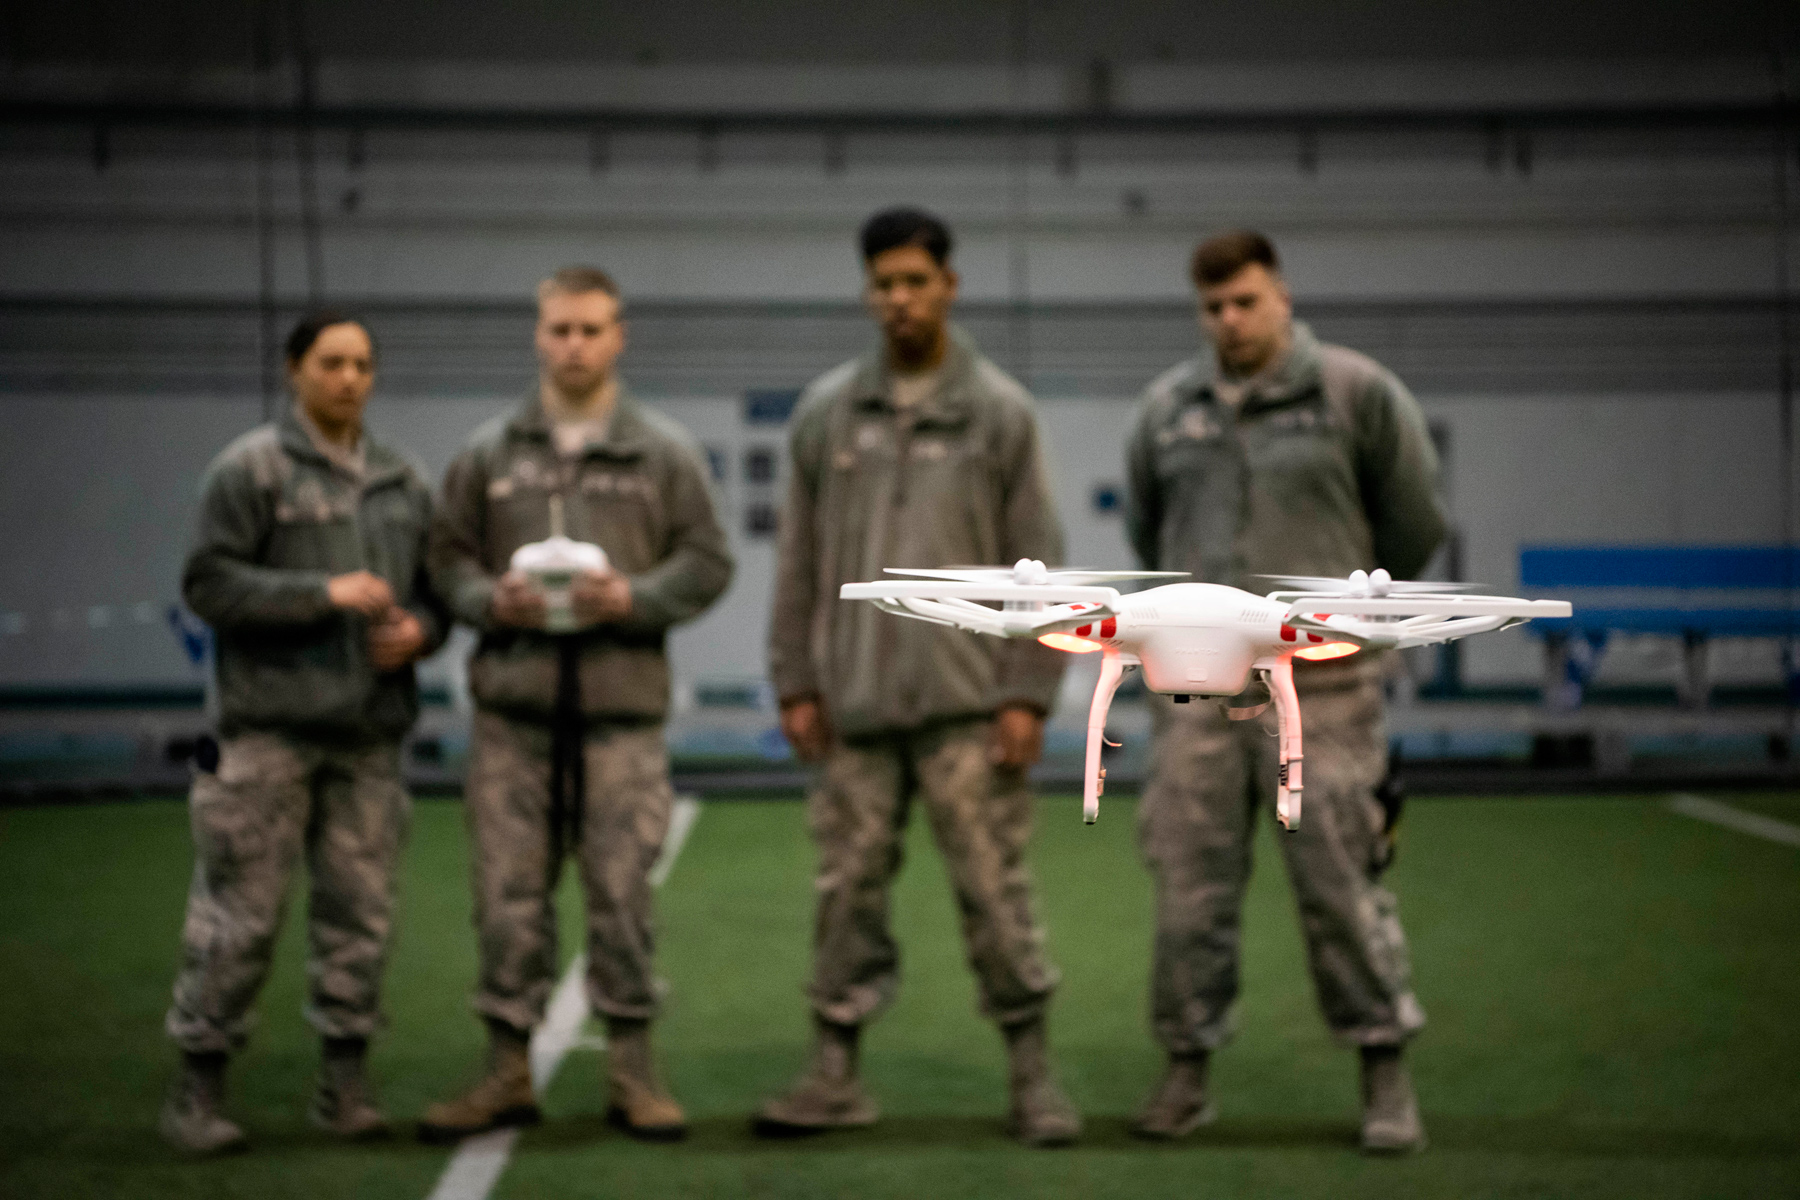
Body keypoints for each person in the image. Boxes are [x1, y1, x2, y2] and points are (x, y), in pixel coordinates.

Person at [759, 207, 1080, 1147]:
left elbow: (1040, 565)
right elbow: (800, 564)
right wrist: (795, 682)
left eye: (914, 281)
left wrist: (1027, 692)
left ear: (948, 285)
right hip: (853, 704)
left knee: (995, 892)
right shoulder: (828, 416)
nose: (898, 300)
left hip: (969, 710)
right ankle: (833, 1073)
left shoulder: (998, 414)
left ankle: (1032, 1078)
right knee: (846, 889)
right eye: (883, 284)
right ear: (868, 293)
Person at [1123, 231, 1448, 1153]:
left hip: (1327, 692)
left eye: (1246, 302)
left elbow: (1414, 527)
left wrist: (1336, 621)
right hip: (1196, 692)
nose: (1229, 321)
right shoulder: (1166, 411)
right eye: (1213, 307)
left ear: (1283, 297)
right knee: (1189, 890)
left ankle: (1383, 1068)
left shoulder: (1355, 394)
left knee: (1342, 883)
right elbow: (1151, 532)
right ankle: (1186, 1072)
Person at [420, 266, 732, 1143]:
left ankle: (634, 1073)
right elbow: (444, 561)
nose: (575, 345)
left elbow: (708, 562)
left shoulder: (662, 454)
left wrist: (633, 597)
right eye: (559, 329)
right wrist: (489, 601)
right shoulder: (489, 456)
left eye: (591, 329)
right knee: (506, 899)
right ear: (538, 335)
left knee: (623, 896)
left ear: (618, 335)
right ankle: (505, 1070)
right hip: (512, 718)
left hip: (620, 716)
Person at [160, 313, 448, 1154]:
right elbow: (208, 584)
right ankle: (197, 1093)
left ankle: (345, 1089)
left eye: (362, 364)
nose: (349, 378)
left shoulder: (402, 478)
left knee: (360, 918)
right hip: (265, 736)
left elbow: (435, 594)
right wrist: (320, 594)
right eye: (331, 363)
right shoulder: (250, 469)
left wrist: (423, 633)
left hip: (369, 738)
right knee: (237, 922)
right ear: (294, 371)